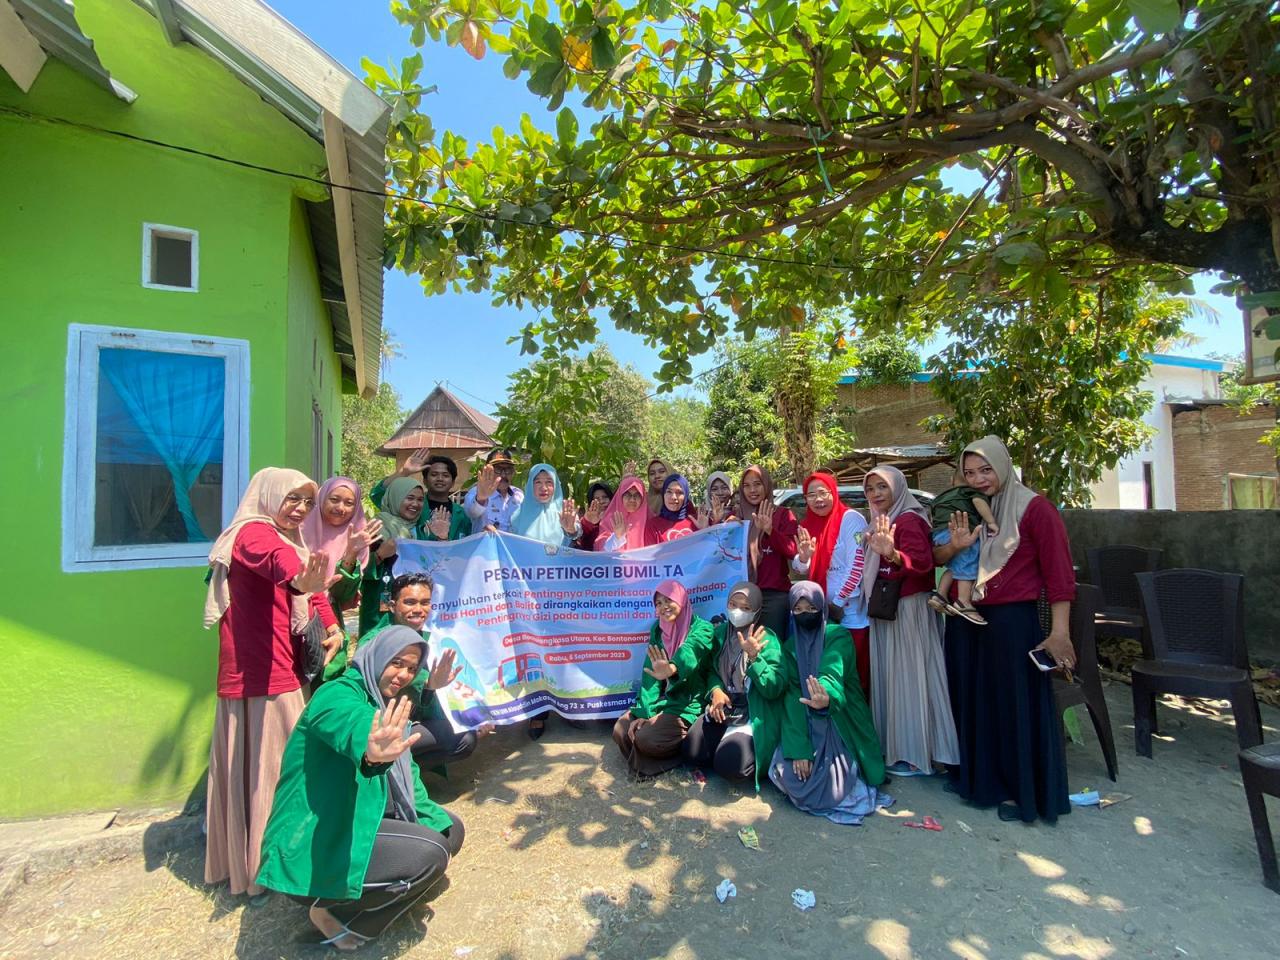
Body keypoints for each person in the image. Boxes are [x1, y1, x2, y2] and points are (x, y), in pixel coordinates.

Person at [257, 625, 465, 949]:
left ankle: (383, 881)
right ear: (375, 655)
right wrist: (371, 751)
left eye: (411, 668)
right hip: (314, 839)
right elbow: (350, 723)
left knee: (450, 831)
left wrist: (433, 825)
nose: (403, 674)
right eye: (397, 663)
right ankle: (332, 912)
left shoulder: (386, 704)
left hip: (354, 818)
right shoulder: (336, 694)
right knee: (432, 853)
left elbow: (413, 785)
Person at [202, 467, 342, 899]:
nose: (300, 509)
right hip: (260, 676)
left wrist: (332, 625)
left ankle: (282, 857)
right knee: (273, 773)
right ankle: (265, 865)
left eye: (306, 502)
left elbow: (311, 587)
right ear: (268, 496)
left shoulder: (287, 539)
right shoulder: (253, 535)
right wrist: (302, 579)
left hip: (281, 669)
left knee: (282, 768)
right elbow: (287, 569)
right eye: (292, 499)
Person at [936, 436, 1076, 824]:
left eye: (986, 470)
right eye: (969, 472)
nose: (979, 479)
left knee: (1014, 705)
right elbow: (942, 555)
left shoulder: (1035, 509)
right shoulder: (969, 507)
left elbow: (1059, 576)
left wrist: (1060, 631)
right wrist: (954, 546)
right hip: (967, 618)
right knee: (972, 701)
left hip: (1014, 621)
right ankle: (980, 782)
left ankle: (1022, 792)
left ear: (1002, 465)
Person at [862, 465, 959, 778]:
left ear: (898, 488)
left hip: (908, 609)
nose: (876, 494)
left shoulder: (909, 520)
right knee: (895, 680)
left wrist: (892, 555)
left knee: (911, 680)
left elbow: (922, 564)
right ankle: (900, 749)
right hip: (889, 608)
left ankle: (918, 753)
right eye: (871, 488)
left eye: (882, 487)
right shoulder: (884, 520)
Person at [768, 581, 891, 825]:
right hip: (805, 720)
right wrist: (800, 749)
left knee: (837, 784)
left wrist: (825, 695)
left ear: (822, 608)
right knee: (791, 773)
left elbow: (833, 671)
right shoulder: (790, 647)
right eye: (799, 610)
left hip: (839, 718)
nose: (805, 614)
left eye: (811, 608)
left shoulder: (839, 636)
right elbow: (793, 698)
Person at [356, 573, 479, 770]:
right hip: (373, 730)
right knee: (454, 734)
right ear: (392, 605)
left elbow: (423, 702)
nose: (418, 610)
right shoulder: (373, 644)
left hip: (409, 721)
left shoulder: (431, 640)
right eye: (410, 602)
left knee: (465, 737)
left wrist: (431, 686)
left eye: (425, 603)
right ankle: (382, 772)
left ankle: (404, 773)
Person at [682, 582, 787, 786]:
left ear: (757, 611)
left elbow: (775, 688)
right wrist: (715, 691)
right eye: (733, 604)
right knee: (691, 750)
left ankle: (751, 751)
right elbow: (709, 670)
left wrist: (755, 659)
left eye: (746, 608)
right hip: (723, 708)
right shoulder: (720, 634)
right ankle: (723, 743)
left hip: (753, 713)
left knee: (730, 765)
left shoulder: (768, 640)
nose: (738, 611)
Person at [509, 463, 584, 740]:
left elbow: (575, 543)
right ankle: (538, 711)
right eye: (538, 482)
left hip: (561, 595)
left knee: (563, 652)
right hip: (529, 597)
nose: (543, 488)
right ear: (529, 485)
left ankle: (567, 705)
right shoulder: (517, 517)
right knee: (535, 652)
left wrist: (570, 530)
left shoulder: (564, 514)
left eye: (548, 482)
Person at [612, 581, 715, 775]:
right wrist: (646, 714)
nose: (663, 606)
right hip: (664, 701)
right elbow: (650, 674)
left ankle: (677, 757)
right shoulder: (658, 630)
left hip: (686, 702)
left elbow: (691, 650)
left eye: (669, 599)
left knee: (645, 738)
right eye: (658, 603)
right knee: (621, 730)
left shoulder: (703, 628)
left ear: (681, 600)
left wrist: (673, 668)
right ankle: (647, 757)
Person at [792, 472, 872, 700]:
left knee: (855, 674)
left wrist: (838, 603)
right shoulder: (807, 525)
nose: (818, 499)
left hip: (851, 614)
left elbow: (857, 565)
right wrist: (805, 557)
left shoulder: (850, 519)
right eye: (811, 495)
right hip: (823, 613)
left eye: (823, 493)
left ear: (833, 492)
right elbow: (800, 568)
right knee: (829, 674)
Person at [301, 477, 383, 681]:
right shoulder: (297, 531)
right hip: (291, 617)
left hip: (328, 623)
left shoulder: (356, 539)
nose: (341, 508)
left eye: (349, 503)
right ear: (321, 499)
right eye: (334, 499)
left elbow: (342, 594)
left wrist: (350, 554)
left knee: (326, 679)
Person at [734, 465, 799, 642]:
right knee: (743, 647)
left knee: (772, 649)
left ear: (767, 485)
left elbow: (793, 551)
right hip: (742, 597)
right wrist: (717, 524)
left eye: (757, 484)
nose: (752, 490)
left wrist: (770, 530)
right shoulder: (736, 517)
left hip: (774, 597)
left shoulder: (783, 515)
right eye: (746, 485)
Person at [355, 476, 426, 637]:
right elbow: (356, 571)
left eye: (420, 500)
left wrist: (440, 539)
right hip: (380, 614)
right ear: (395, 497)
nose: (415, 504)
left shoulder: (422, 530)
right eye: (409, 498)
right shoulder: (375, 528)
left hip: (415, 610)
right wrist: (379, 555)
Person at [926, 481, 998, 625]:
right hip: (959, 530)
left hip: (939, 533)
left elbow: (931, 514)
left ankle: (940, 595)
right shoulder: (970, 490)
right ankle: (963, 601)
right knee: (969, 561)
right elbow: (978, 501)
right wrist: (991, 522)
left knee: (955, 567)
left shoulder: (942, 496)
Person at [371, 449, 470, 542]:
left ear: (453, 482)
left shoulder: (462, 514)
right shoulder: (413, 507)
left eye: (445, 475)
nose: (440, 478)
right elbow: (377, 495)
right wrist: (404, 472)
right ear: (425, 481)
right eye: (434, 474)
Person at [464, 448, 522, 533]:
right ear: (487, 470)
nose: (503, 474)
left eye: (507, 469)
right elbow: (472, 513)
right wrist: (481, 499)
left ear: (513, 472)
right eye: (497, 469)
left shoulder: (518, 495)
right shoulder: (476, 492)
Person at [595, 476, 649, 551]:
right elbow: (601, 550)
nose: (632, 500)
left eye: (637, 495)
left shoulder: (650, 520)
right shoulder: (609, 520)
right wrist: (617, 537)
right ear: (620, 496)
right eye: (628, 495)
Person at [644, 473, 697, 544]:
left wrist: (705, 529)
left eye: (679, 492)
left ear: (686, 496)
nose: (673, 497)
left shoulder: (696, 521)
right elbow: (650, 554)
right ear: (663, 494)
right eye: (669, 491)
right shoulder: (653, 526)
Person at [574, 481, 613, 550]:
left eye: (605, 497)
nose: (601, 501)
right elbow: (579, 536)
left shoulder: (618, 517)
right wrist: (589, 522)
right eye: (597, 499)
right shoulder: (588, 519)